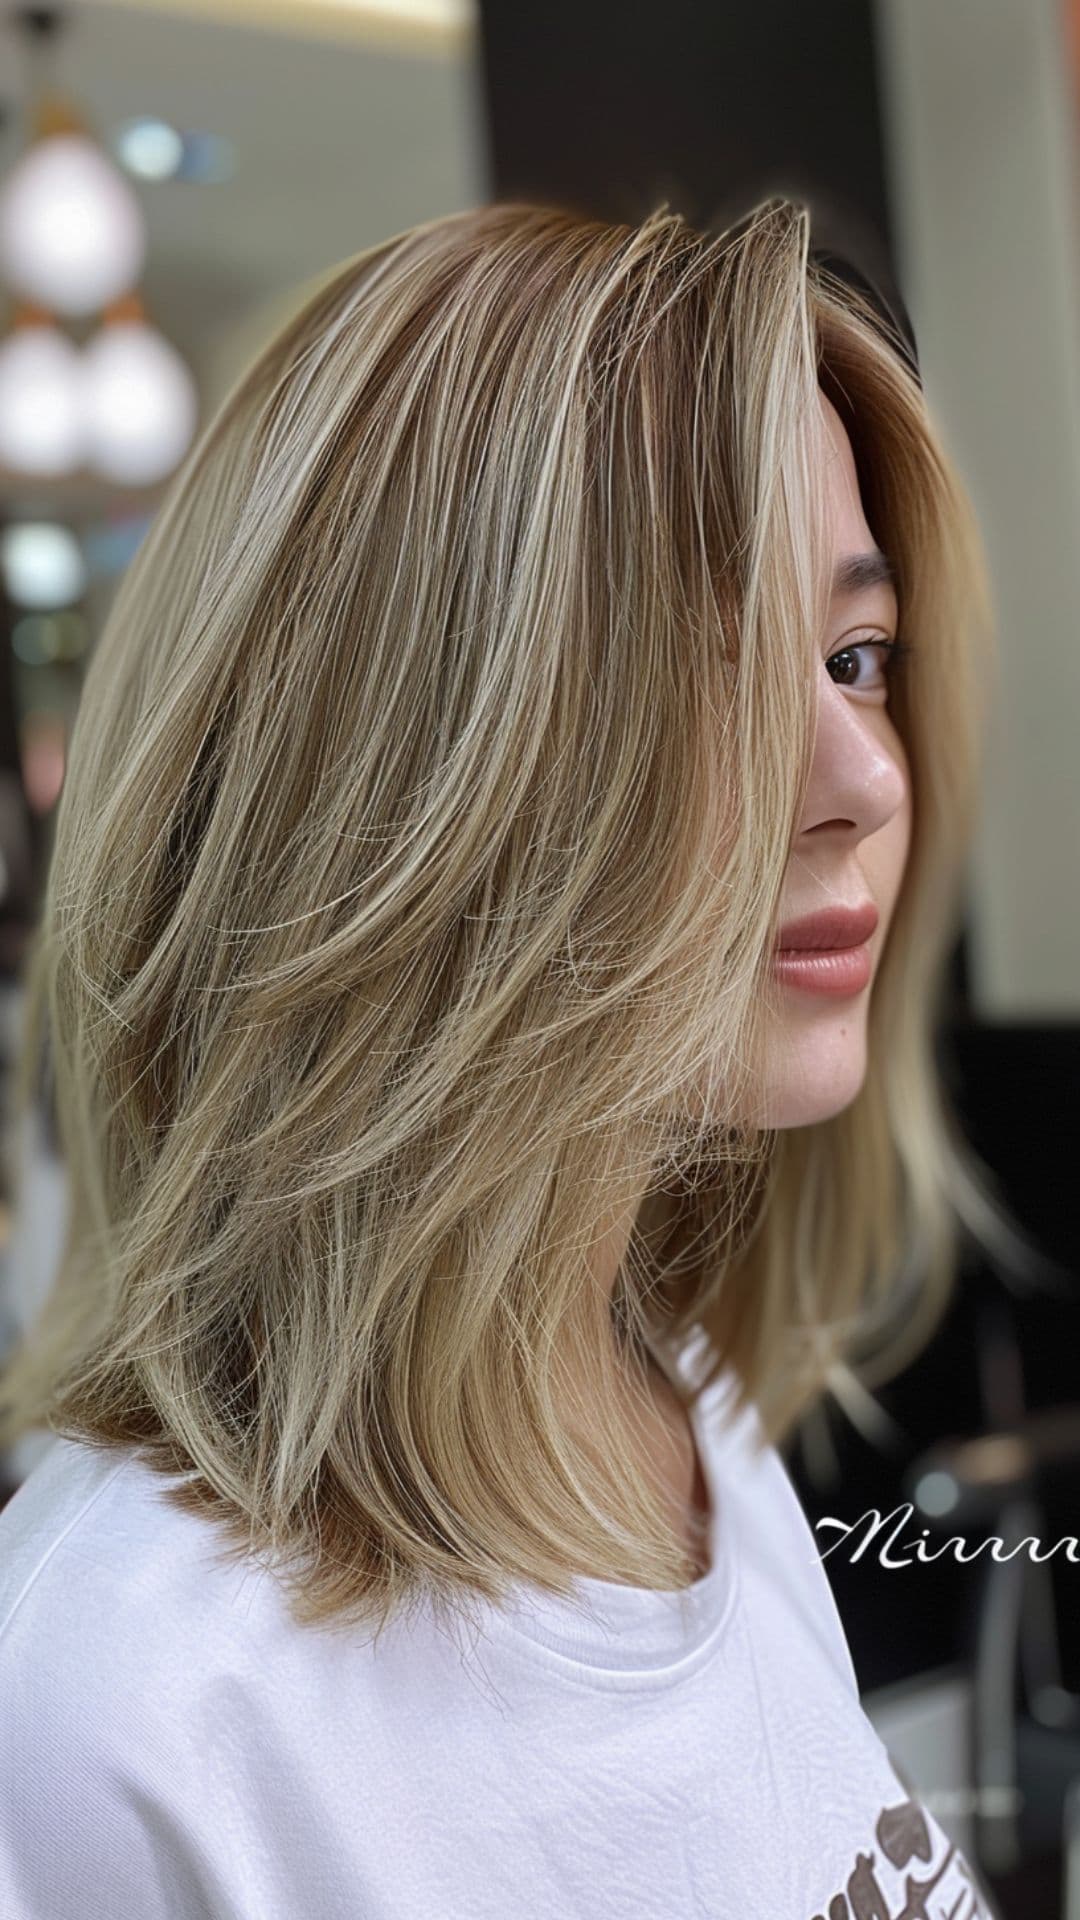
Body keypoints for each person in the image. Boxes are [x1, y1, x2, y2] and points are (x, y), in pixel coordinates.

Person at [0, 194, 1023, 1916]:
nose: (863, 776)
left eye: (858, 659)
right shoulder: (120, 1721)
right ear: (399, 781)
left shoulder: (684, 1419)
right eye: (705, 680)